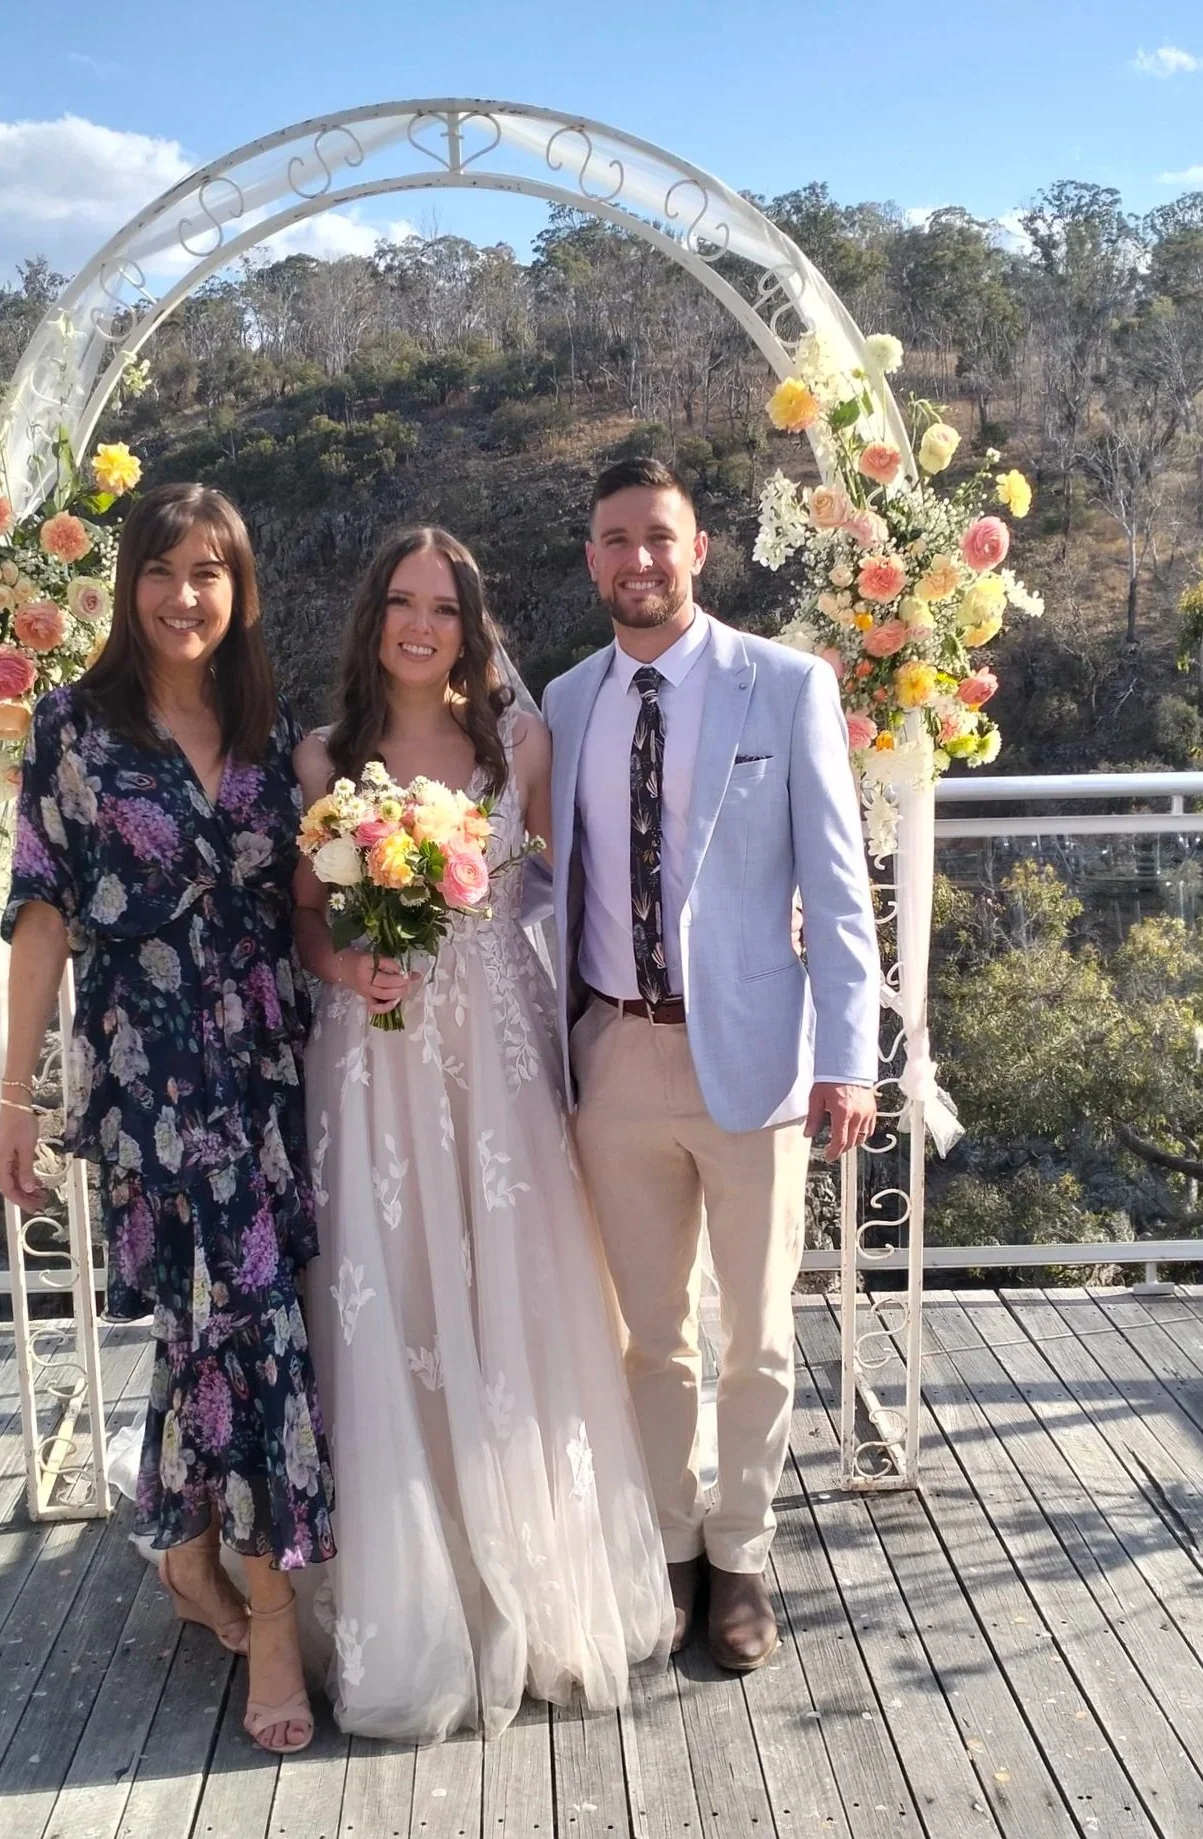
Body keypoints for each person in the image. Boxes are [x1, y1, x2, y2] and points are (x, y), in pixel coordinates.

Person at [293, 526, 672, 1744]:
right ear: (372, 619)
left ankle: (537, 1584)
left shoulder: (518, 744)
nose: (422, 624)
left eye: (444, 606)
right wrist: (351, 966)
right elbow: (304, 919)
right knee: (396, 1301)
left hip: (500, 1064)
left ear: (470, 622)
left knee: (516, 1298)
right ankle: (420, 1596)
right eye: (401, 602)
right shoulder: (322, 757)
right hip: (375, 1065)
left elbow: (590, 879)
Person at [0, 481, 332, 1754]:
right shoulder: (75, 729)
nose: (183, 596)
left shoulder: (270, 729)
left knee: (212, 1330)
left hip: (263, 1071)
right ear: (126, 583)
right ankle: (272, 1617)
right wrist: (17, 1095)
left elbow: (309, 899)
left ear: (239, 592)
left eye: (210, 573)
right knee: (248, 1330)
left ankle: (181, 1544)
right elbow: (40, 918)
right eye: (160, 570)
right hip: (150, 1079)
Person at [539, 457, 880, 1668]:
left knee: (757, 1334)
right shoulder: (564, 699)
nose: (639, 559)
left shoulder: (783, 687)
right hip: (612, 1058)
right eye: (615, 539)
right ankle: (671, 1544)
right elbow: (541, 878)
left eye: (660, 538)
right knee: (649, 1337)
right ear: (591, 559)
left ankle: (741, 1552)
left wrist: (852, 1060)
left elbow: (838, 898)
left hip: (756, 1064)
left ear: (700, 550)